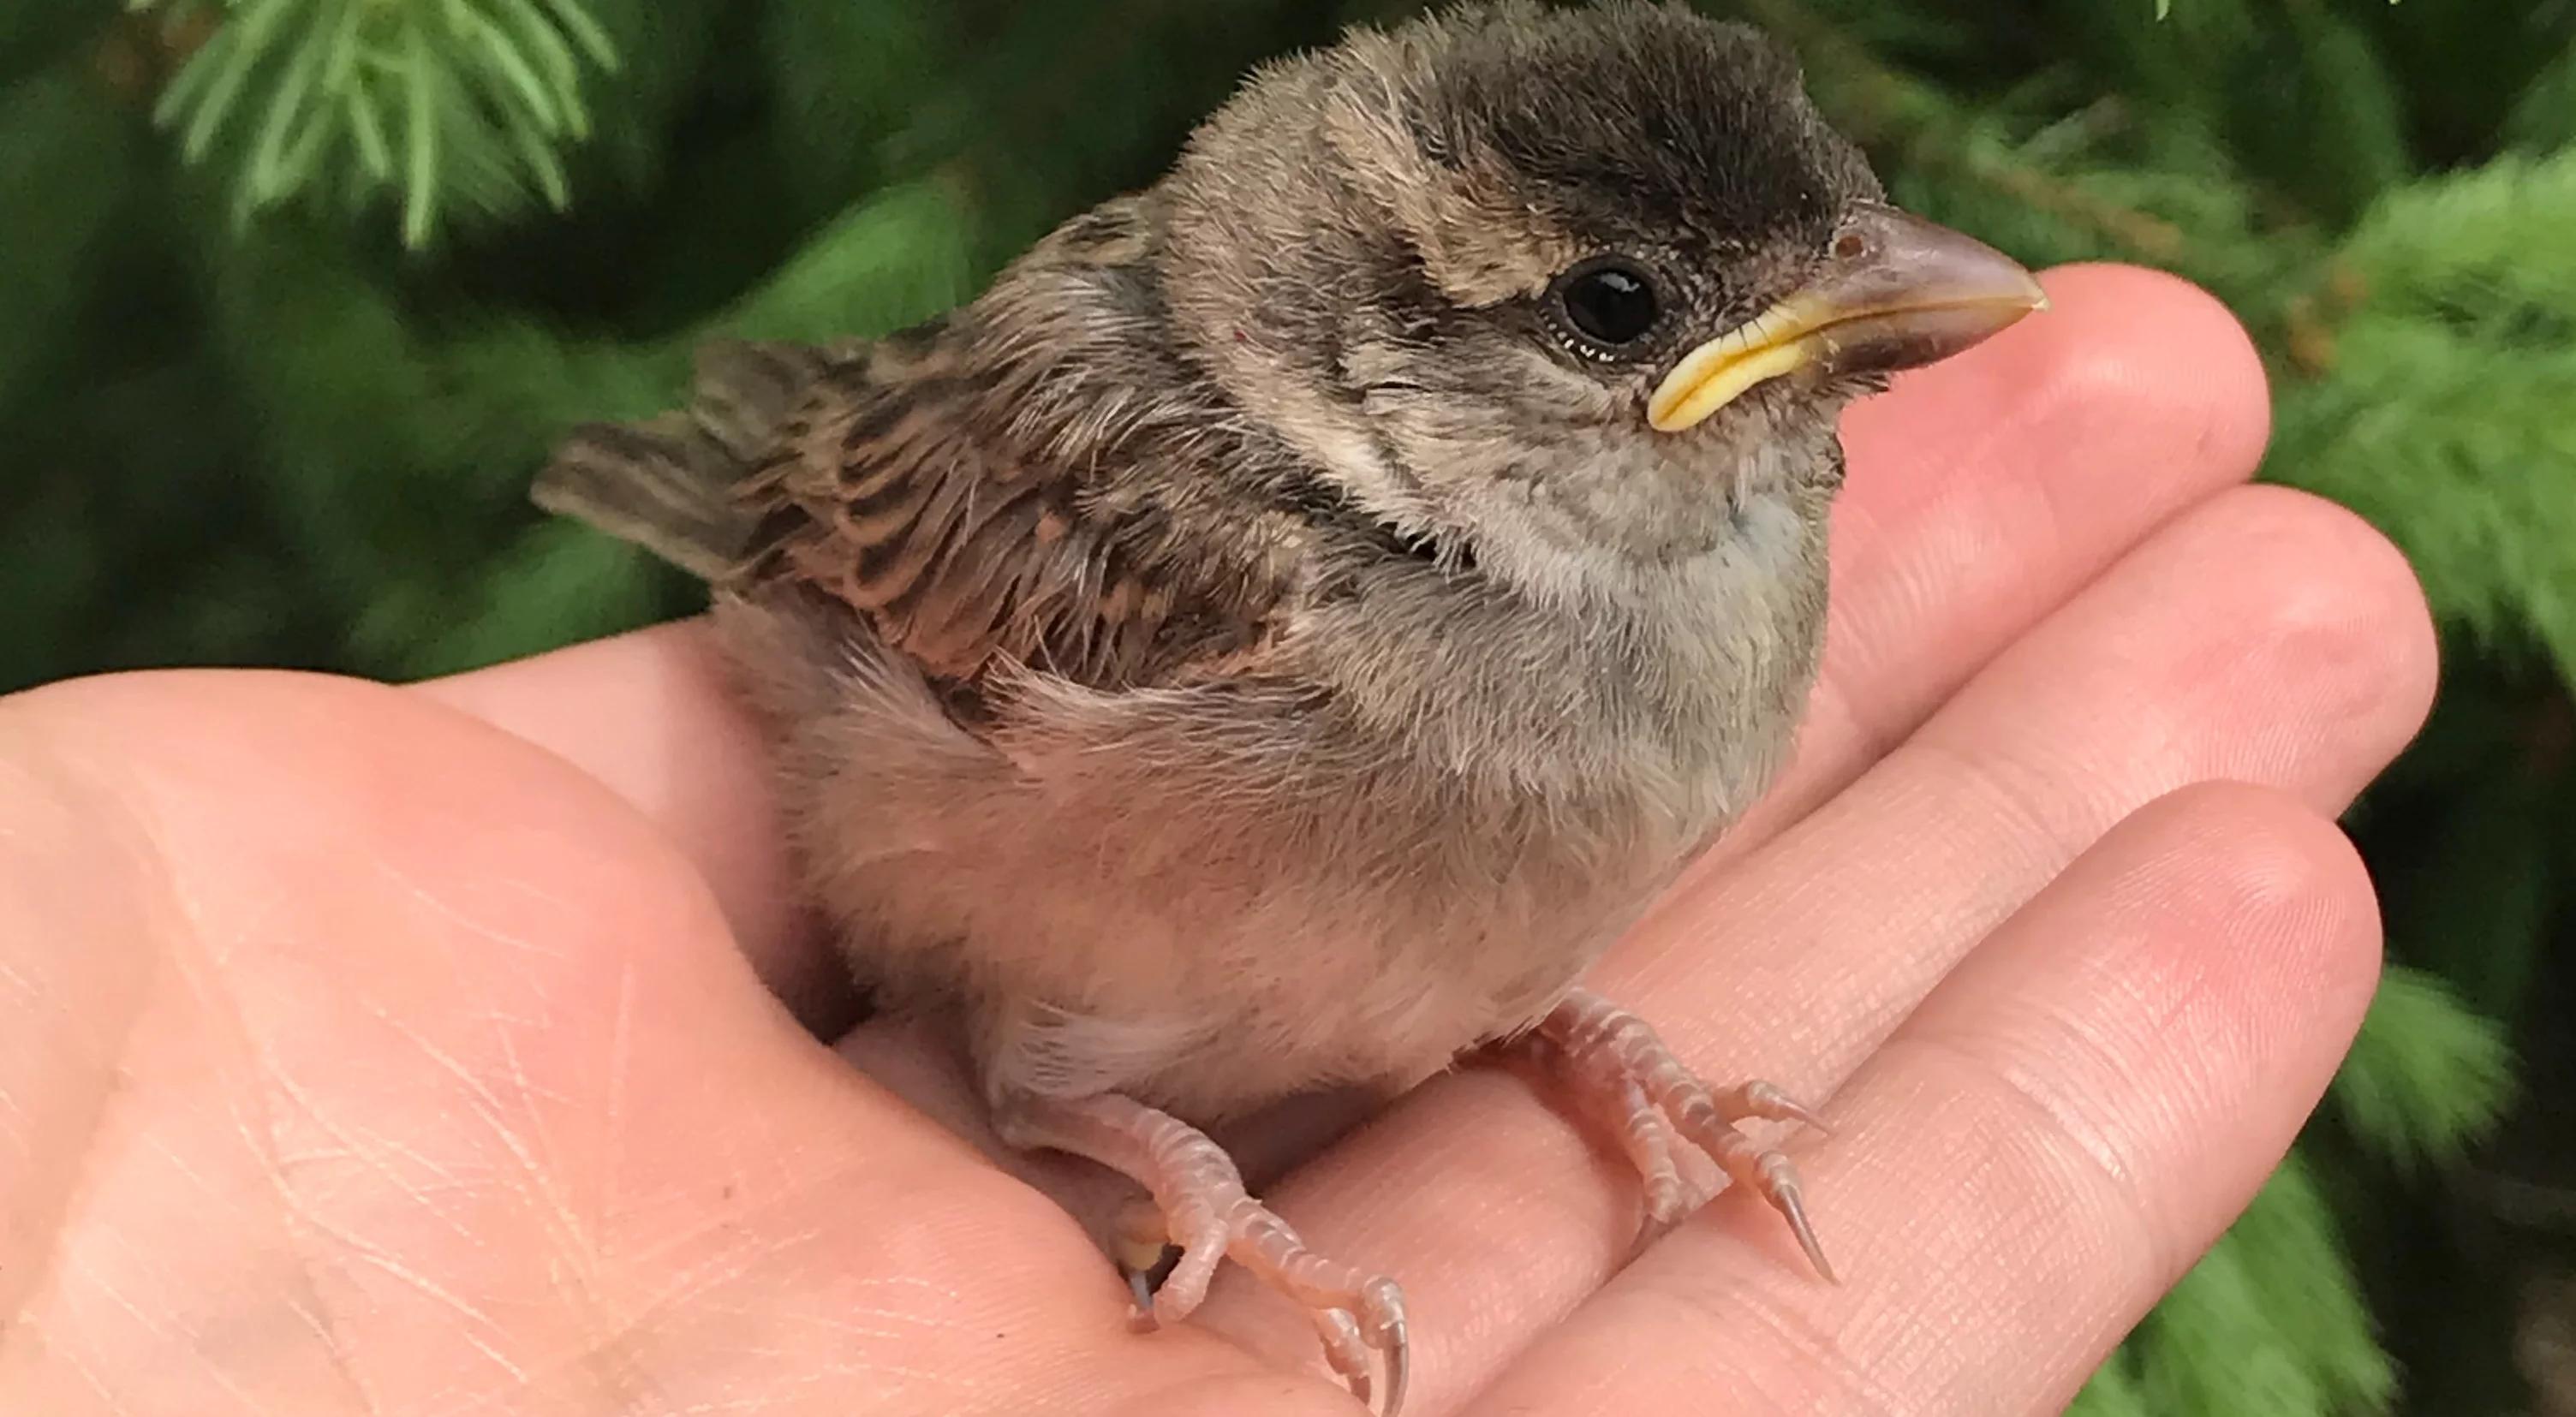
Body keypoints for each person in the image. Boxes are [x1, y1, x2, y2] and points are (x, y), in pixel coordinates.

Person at [0, 265, 2433, 1415]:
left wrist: (1551, 1003)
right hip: (947, 780)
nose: (1846, 362)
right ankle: (1082, 1093)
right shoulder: (1199, 521)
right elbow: (858, 536)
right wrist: (1150, 1137)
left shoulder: (1740, 526)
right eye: (1616, 318)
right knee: (1064, 1048)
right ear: (1403, 340)